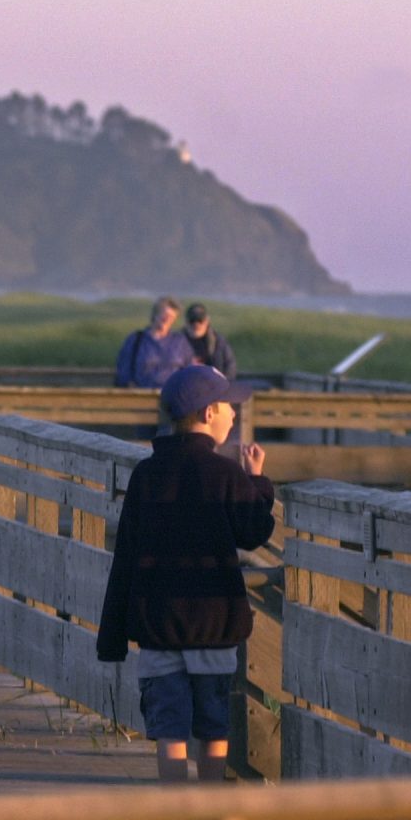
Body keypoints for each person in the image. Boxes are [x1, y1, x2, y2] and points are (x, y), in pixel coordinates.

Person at [95, 365, 275, 783]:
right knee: (214, 726)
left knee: (169, 729)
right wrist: (260, 483)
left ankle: (175, 809)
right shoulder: (224, 473)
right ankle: (209, 808)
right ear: (209, 412)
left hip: (157, 624)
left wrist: (112, 639)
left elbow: (125, 557)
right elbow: (255, 532)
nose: (234, 413)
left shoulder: (146, 475)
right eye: (229, 405)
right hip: (213, 623)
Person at [112, 296, 194, 389]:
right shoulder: (136, 340)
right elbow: (123, 372)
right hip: (142, 395)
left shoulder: (180, 342)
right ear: (155, 314)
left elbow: (189, 371)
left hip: (172, 396)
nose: (167, 319)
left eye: (171, 317)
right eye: (164, 315)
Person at [182, 302, 237, 378]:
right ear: (186, 322)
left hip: (213, 383)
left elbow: (230, 366)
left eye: (200, 320)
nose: (196, 324)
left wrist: (222, 382)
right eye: (192, 320)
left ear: (207, 321)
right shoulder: (177, 341)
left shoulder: (218, 341)